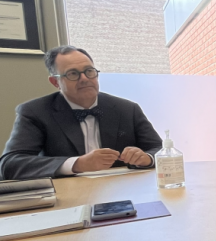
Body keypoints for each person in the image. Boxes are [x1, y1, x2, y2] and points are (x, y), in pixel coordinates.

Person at [0, 46, 163, 180]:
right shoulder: (35, 112)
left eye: (89, 71)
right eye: (73, 74)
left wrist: (146, 158)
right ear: (55, 82)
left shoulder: (127, 109)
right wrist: (76, 164)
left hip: (122, 191)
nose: (84, 78)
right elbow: (10, 164)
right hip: (66, 198)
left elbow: (160, 149)